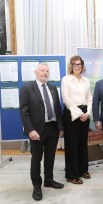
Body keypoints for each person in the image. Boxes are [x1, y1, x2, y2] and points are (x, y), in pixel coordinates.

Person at [19, 63, 64, 201]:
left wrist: (60, 127)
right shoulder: (27, 88)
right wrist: (30, 130)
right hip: (36, 130)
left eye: (47, 71)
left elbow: (57, 109)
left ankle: (49, 180)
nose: (45, 73)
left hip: (52, 128)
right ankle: (37, 186)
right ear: (36, 72)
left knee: (50, 157)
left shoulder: (52, 88)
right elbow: (24, 112)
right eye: (42, 70)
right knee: (36, 159)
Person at [61, 55, 92, 184]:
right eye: (75, 64)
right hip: (71, 115)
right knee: (72, 145)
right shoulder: (66, 80)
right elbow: (66, 99)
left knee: (82, 144)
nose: (77, 67)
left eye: (79, 64)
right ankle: (72, 174)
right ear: (71, 66)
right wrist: (80, 114)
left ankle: (83, 169)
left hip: (85, 114)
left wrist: (88, 113)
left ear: (82, 66)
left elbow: (90, 98)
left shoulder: (86, 80)